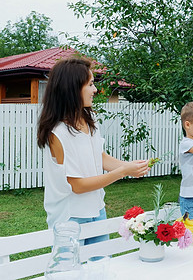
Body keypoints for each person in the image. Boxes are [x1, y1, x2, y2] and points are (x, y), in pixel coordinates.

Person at [37, 57, 150, 244]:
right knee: (73, 272)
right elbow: (78, 185)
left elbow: (100, 157)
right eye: (90, 84)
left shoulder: (91, 121)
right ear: (73, 88)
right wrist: (123, 172)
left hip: (97, 210)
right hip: (70, 218)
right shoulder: (58, 133)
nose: (95, 90)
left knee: (100, 268)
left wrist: (130, 167)